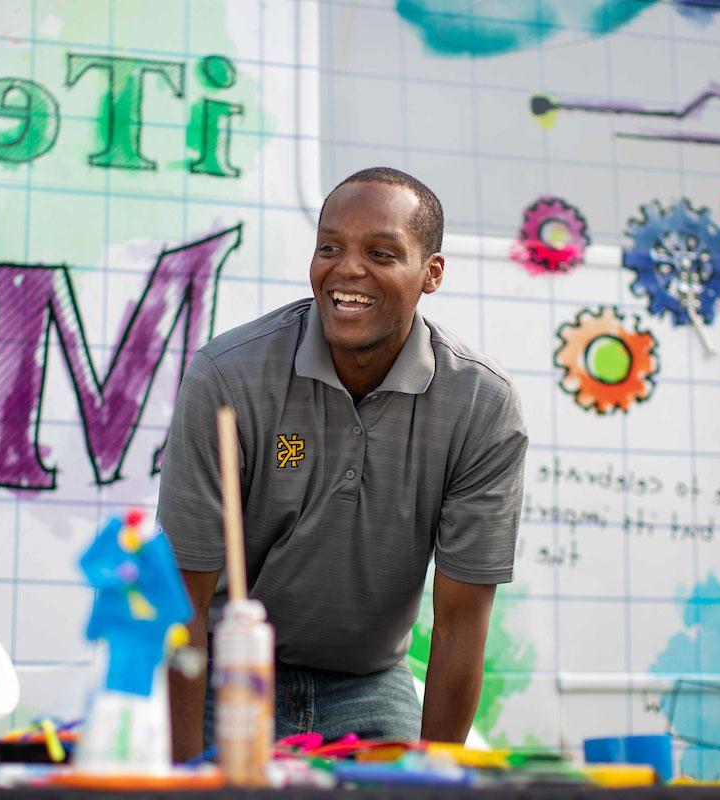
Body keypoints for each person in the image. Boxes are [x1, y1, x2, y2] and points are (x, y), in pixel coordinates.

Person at [159, 167, 528, 759]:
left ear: (431, 273)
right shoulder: (228, 376)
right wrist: (181, 776)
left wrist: (432, 778)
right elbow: (184, 605)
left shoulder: (481, 405)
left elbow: (460, 624)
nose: (347, 269)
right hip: (226, 677)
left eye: (381, 252)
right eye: (329, 247)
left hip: (368, 686)